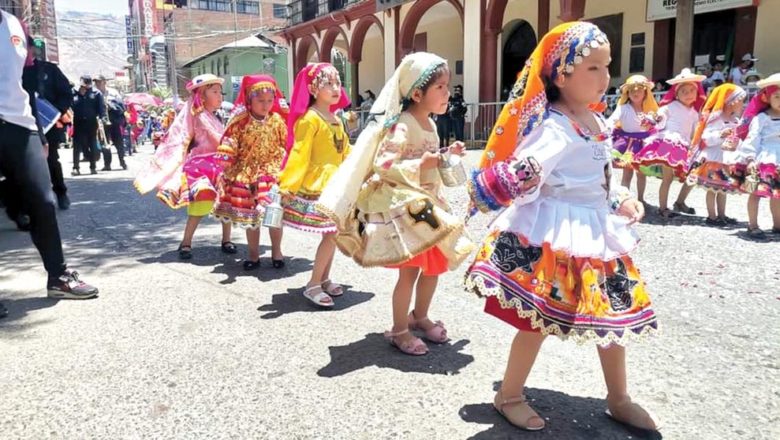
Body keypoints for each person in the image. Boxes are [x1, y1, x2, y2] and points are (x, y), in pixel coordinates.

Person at [465, 21, 658, 432]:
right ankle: (510, 394)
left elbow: (605, 175)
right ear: (561, 74)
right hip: (555, 233)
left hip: (597, 234)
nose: (605, 76)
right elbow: (526, 170)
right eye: (593, 68)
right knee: (536, 319)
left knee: (612, 315)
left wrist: (620, 197)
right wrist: (502, 183)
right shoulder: (554, 126)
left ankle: (619, 397)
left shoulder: (596, 122)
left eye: (607, 66)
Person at [318, 52, 475, 355]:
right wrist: (423, 161)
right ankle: (399, 329)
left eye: (447, 86)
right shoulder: (402, 123)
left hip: (428, 203)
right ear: (417, 93)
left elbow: (427, 158)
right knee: (410, 271)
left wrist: (444, 154)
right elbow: (384, 164)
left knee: (434, 267)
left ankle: (420, 316)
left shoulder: (429, 122)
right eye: (440, 87)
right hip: (407, 209)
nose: (447, 92)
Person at [0, 8, 99, 316]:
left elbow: (27, 81)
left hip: (20, 124)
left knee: (43, 202)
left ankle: (58, 276)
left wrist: (40, 134)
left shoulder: (13, 23)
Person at [134, 74, 233, 259]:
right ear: (202, 95)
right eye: (215, 92)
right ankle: (186, 242)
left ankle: (226, 239)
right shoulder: (197, 115)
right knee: (200, 203)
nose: (220, 96)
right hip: (201, 167)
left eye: (221, 92)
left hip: (219, 166)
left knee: (225, 202)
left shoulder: (213, 116)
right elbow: (191, 137)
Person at [278, 63, 351, 307]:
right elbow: (299, 154)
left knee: (334, 234)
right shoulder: (309, 119)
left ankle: (323, 277)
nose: (335, 88)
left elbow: (345, 151)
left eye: (337, 83)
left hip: (337, 182)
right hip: (319, 185)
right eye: (328, 83)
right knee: (331, 234)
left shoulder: (336, 119)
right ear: (312, 88)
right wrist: (287, 186)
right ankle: (312, 284)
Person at [213, 75, 288, 269]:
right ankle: (254, 255)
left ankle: (277, 252)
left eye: (270, 101)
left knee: (275, 215)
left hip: (272, 175)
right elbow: (231, 140)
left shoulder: (277, 120)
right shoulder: (240, 121)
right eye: (261, 101)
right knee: (252, 217)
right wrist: (226, 151)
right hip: (247, 175)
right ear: (249, 99)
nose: (266, 105)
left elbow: (285, 143)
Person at [633, 68, 707, 217]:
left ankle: (677, 203)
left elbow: (693, 132)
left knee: (690, 175)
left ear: (697, 93)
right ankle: (663, 208)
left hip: (683, 146)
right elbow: (660, 116)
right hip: (670, 143)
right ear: (676, 94)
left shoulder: (694, 113)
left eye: (691, 91)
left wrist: (695, 147)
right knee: (667, 178)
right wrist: (654, 119)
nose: (688, 94)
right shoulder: (670, 107)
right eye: (684, 91)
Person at [686, 84, 747, 226]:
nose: (742, 104)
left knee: (723, 188)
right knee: (712, 189)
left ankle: (721, 214)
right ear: (730, 101)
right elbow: (706, 138)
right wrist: (721, 134)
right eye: (740, 100)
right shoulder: (716, 119)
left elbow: (737, 140)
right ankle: (712, 216)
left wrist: (736, 144)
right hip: (714, 158)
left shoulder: (735, 121)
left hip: (726, 159)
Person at [23, 35, 72, 209]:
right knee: (19, 163)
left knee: (50, 159)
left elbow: (66, 93)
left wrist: (54, 112)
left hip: (47, 125)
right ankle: (22, 206)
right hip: (20, 123)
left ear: (32, 48)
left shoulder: (49, 70)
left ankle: (60, 192)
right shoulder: (11, 70)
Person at [735, 73, 780, 238]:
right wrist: (750, 158)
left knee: (777, 194)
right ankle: (752, 224)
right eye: (777, 96)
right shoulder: (762, 118)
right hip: (765, 158)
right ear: (767, 97)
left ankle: (777, 225)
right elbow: (753, 138)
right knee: (756, 192)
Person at [608, 75, 661, 204]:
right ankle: (623, 199)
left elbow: (660, 123)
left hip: (644, 144)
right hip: (628, 144)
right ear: (627, 93)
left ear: (645, 92)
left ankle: (641, 198)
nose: (635, 93)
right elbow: (612, 120)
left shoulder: (650, 110)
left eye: (639, 90)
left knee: (642, 173)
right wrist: (605, 127)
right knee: (627, 172)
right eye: (632, 90)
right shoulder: (623, 108)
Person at [70, 75, 105, 175]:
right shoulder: (74, 92)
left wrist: (102, 119)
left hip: (91, 122)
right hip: (78, 122)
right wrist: (80, 95)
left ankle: (93, 167)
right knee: (77, 146)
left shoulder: (96, 93)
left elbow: (101, 109)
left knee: (92, 145)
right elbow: (71, 105)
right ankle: (75, 167)